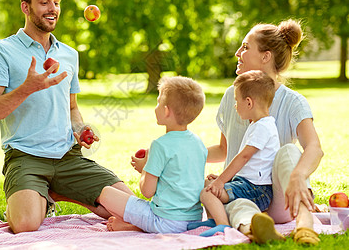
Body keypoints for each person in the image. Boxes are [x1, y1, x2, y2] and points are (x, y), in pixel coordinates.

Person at [0, 0, 133, 233]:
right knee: (26, 225)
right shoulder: (2, 50)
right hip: (26, 156)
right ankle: (35, 195)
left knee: (132, 209)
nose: (52, 8)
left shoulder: (69, 54)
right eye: (44, 2)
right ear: (25, 7)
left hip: (68, 157)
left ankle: (56, 191)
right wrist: (26, 89)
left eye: (56, 2)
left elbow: (72, 107)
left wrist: (82, 127)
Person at [206, 19, 323, 245]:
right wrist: (178, 152)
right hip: (241, 193)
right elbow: (224, 150)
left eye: (245, 47)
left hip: (280, 200)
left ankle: (305, 226)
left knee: (288, 151)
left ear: (265, 56)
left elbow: (314, 148)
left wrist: (298, 175)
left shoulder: (292, 101)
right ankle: (256, 228)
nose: (238, 53)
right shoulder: (232, 96)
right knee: (237, 204)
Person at [97, 76, 208, 233]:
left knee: (106, 193)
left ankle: (134, 227)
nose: (156, 107)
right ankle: (136, 226)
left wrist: (145, 168)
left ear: (166, 111)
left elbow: (147, 191)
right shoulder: (199, 143)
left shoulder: (160, 145)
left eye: (158, 102)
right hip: (193, 219)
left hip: (165, 221)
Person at [194, 70, 280, 237]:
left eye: (236, 100)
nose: (234, 105)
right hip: (246, 185)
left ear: (248, 103)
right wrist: (221, 179)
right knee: (207, 184)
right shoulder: (258, 124)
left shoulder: (263, 127)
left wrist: (221, 181)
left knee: (207, 192)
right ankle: (215, 219)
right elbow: (250, 166)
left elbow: (243, 157)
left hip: (256, 190)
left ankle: (223, 225)